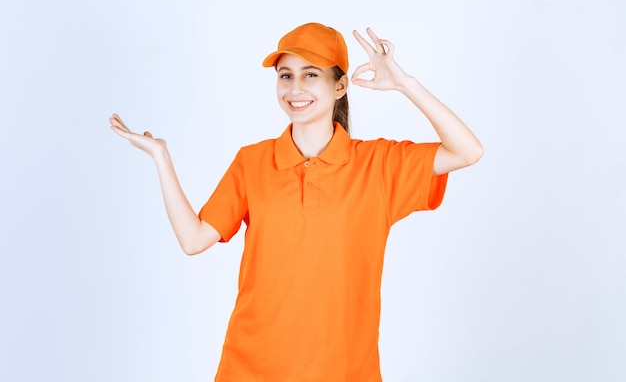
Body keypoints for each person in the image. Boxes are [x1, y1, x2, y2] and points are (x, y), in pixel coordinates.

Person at [110, 22, 483, 381]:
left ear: (340, 86)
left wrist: (405, 84)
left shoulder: (379, 164)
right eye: (285, 75)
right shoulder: (252, 162)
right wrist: (161, 157)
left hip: (346, 371)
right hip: (251, 368)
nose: (295, 87)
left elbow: (467, 151)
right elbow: (194, 240)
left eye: (311, 74)